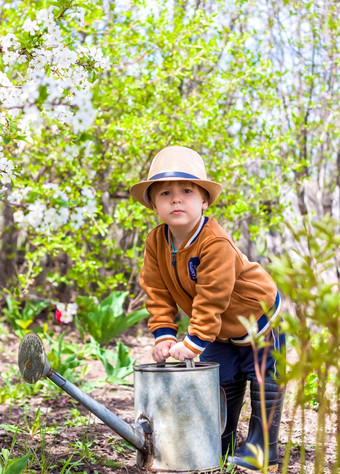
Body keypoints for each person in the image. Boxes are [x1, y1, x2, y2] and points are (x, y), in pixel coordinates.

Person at [130, 145, 285, 473]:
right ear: (154, 204)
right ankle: (221, 439)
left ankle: (262, 447)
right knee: (220, 377)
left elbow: (213, 296)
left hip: (256, 314)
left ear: (204, 200)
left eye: (187, 191)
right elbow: (157, 292)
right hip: (217, 326)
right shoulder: (156, 242)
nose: (176, 199)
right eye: (165, 193)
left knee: (261, 377)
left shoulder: (215, 242)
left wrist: (193, 339)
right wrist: (163, 334)